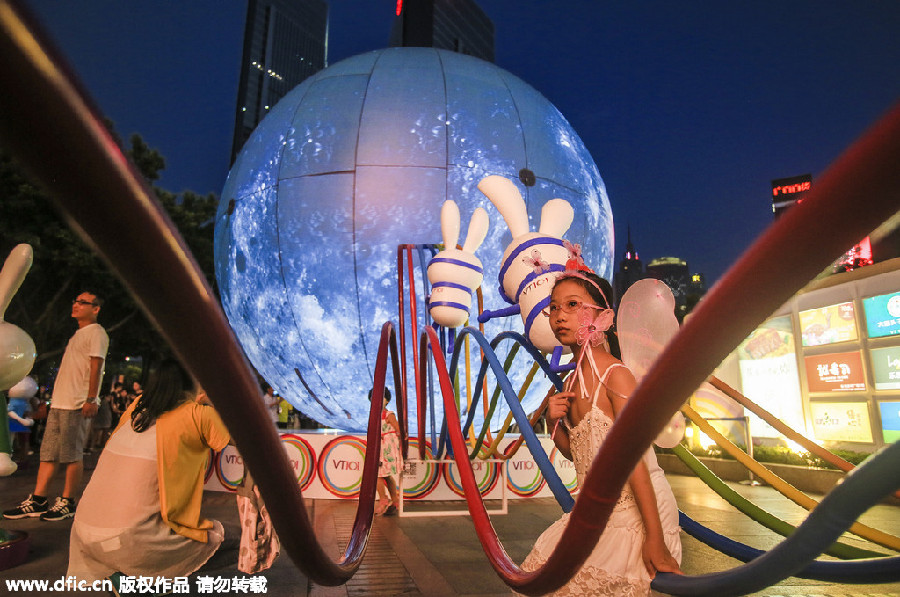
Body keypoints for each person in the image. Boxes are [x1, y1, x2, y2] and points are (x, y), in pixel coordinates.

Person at [519, 268, 682, 595]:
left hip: (637, 517)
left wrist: (654, 537)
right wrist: (554, 424)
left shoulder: (616, 375)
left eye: (573, 304)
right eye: (554, 307)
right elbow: (580, 454)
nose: (559, 315)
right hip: (594, 513)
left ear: (602, 315)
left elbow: (632, 460)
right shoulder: (569, 382)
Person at [67, 359, 232, 582]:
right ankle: (144, 582)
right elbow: (245, 446)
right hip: (133, 541)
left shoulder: (136, 408)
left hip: (83, 532)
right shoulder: (199, 414)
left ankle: (126, 577)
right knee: (236, 538)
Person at [4, 291, 109, 521]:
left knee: (72, 455)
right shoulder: (78, 334)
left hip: (76, 404)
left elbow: (96, 366)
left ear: (96, 309)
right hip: (60, 402)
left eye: (83, 302)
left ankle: (67, 501)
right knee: (48, 453)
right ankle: (39, 499)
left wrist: (91, 398)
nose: (76, 305)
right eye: (76, 301)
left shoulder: (97, 333)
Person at [368, 387, 401, 516]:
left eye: (381, 398)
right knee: (386, 475)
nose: (376, 400)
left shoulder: (389, 414)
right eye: (373, 398)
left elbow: (399, 430)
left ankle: (383, 499)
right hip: (379, 448)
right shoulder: (375, 415)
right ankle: (395, 500)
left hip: (386, 450)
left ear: (387, 401)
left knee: (377, 475)